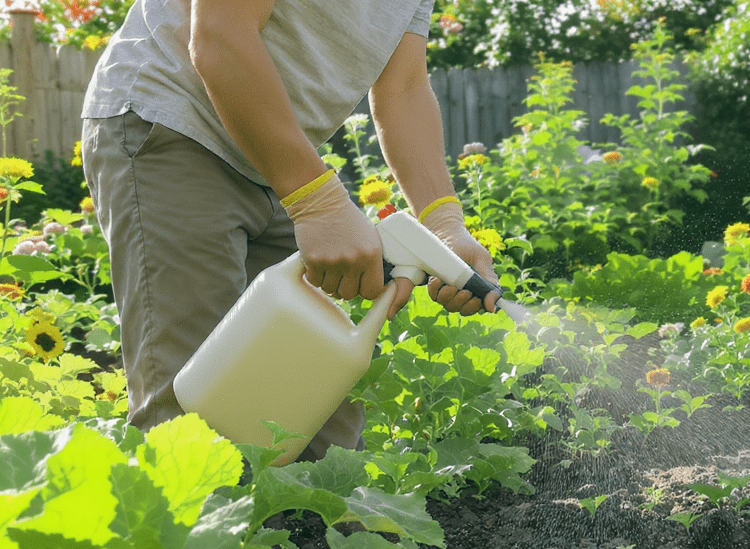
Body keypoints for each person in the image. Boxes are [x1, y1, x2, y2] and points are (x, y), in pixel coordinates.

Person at [80, 0, 498, 463]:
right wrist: (317, 204)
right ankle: (200, 532)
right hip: (176, 124)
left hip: (274, 155)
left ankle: (318, 531)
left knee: (319, 406)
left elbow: (402, 88)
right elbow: (221, 36)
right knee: (189, 409)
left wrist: (443, 223)